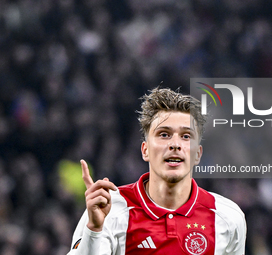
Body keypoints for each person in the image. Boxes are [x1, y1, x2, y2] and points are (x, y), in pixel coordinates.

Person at [67, 87, 246, 255]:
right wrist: (94, 230)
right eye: (164, 134)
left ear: (198, 154)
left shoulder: (228, 217)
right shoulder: (109, 209)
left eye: (186, 136)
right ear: (145, 150)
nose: (175, 144)